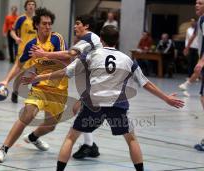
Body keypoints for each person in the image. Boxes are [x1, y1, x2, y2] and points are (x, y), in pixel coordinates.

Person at [22, 25, 184, 171]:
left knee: (71, 138)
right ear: (117, 40)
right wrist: (166, 99)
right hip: (118, 106)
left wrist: (37, 78)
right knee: (132, 139)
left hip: (94, 105)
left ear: (100, 39)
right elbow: (146, 83)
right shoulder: (127, 60)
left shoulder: (90, 56)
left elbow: (65, 72)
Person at [0, 7, 68, 163]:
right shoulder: (31, 44)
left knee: (51, 126)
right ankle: (3, 149)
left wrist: (44, 55)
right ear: (37, 25)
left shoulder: (57, 39)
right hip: (39, 87)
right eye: (44, 24)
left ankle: (33, 137)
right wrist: (6, 80)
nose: (48, 27)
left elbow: (66, 61)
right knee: (27, 115)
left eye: (50, 24)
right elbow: (19, 64)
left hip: (59, 91)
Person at [29, 14, 102, 160]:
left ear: (86, 26)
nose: (74, 26)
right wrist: (38, 77)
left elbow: (69, 53)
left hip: (102, 83)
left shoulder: (89, 38)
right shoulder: (87, 49)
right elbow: (66, 70)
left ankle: (90, 146)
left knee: (84, 112)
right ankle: (90, 145)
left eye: (78, 23)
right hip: (95, 83)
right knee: (79, 109)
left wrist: (44, 54)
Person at [183, 0, 204, 151]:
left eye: (201, 3)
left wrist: (202, 60)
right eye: (196, 2)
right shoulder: (201, 20)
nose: (197, 5)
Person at [10, 0, 37, 103]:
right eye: (29, 4)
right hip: (22, 51)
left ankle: (34, 93)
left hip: (34, 51)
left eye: (33, 5)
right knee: (21, 74)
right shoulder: (21, 19)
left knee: (34, 73)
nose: (31, 6)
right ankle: (15, 91)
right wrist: (16, 38)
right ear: (26, 7)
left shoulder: (37, 20)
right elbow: (12, 31)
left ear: (35, 7)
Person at [178, 18, 199, 96]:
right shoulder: (200, 22)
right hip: (196, 49)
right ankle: (186, 84)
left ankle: (185, 85)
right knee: (195, 66)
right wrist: (187, 47)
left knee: (199, 70)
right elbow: (192, 37)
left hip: (198, 48)